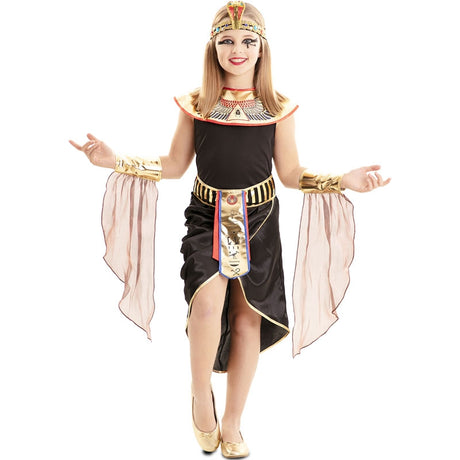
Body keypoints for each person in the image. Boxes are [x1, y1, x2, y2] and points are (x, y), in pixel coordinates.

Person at [69, 2, 390, 458]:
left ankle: (234, 420)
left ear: (262, 48)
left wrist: (341, 180)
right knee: (205, 304)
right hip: (207, 214)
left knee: (246, 317)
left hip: (257, 220)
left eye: (247, 41)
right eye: (226, 40)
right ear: (213, 47)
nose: (237, 49)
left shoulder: (277, 108)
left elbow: (290, 173)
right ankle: (201, 395)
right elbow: (174, 165)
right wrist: (115, 160)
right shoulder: (197, 105)